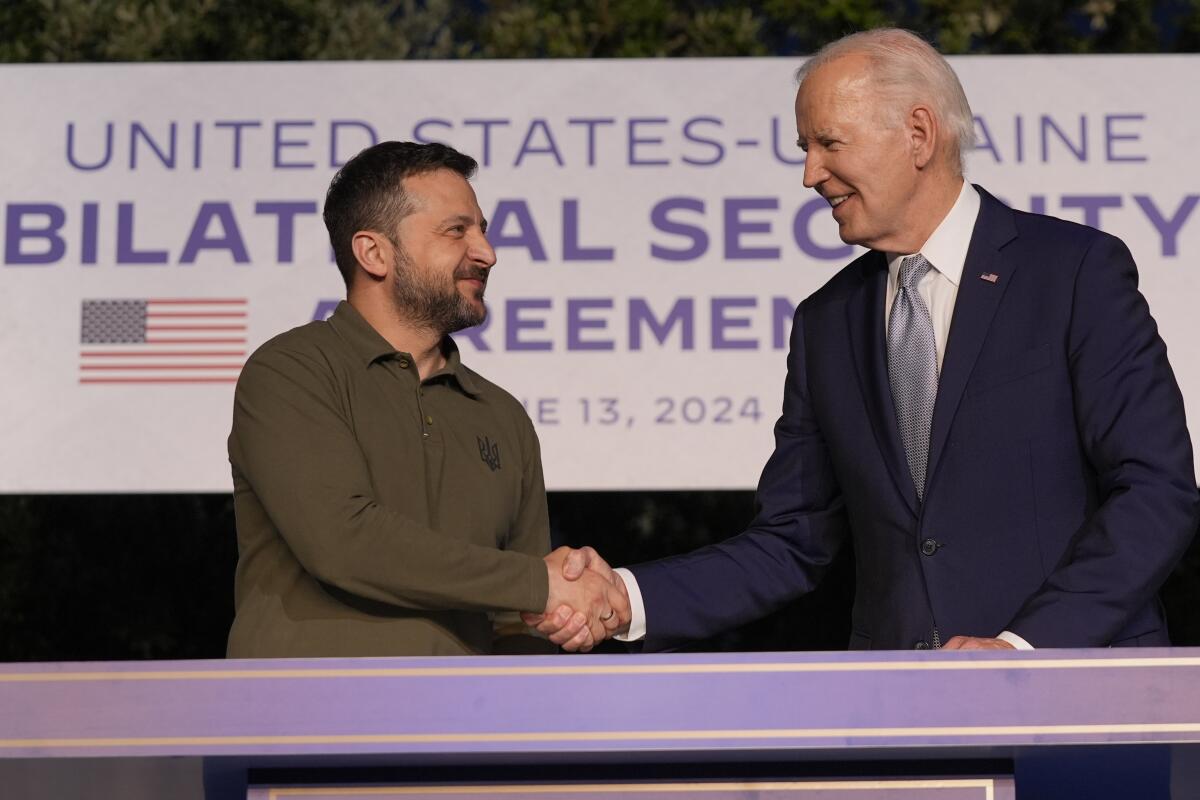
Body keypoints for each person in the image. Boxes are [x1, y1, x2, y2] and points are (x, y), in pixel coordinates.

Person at [529, 29, 1199, 652]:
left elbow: (1156, 489)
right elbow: (791, 541)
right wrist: (624, 596)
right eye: (805, 148)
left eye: (828, 143)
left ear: (918, 134)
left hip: (1077, 692)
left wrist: (1023, 648)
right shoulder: (827, 322)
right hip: (902, 707)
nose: (810, 173)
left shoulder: (1072, 272)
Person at [227, 141, 624, 657]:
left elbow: (519, 618)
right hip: (308, 705)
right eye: (457, 230)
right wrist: (540, 585)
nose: (487, 253)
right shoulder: (292, 370)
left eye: (482, 230)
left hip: (466, 709)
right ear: (374, 253)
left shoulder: (502, 416)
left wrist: (558, 618)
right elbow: (344, 542)